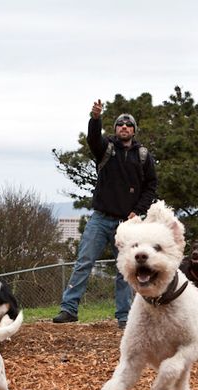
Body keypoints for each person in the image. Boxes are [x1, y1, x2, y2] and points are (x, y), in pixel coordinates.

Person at [52, 100, 158, 328]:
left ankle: (124, 317)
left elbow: (151, 186)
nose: (124, 127)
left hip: (127, 223)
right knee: (84, 262)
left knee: (124, 270)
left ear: (134, 130)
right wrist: (95, 118)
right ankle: (69, 309)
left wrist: (138, 211)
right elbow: (93, 139)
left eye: (128, 125)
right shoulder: (106, 149)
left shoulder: (143, 155)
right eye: (120, 124)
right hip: (100, 218)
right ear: (115, 128)